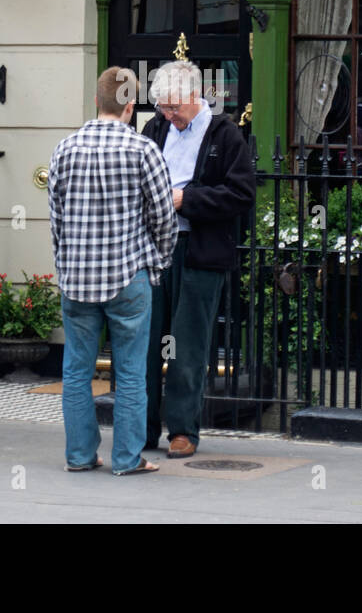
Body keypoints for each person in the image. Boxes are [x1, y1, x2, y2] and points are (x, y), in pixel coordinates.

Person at [49, 67, 177, 476]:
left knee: (76, 372)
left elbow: (56, 220)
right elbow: (163, 219)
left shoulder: (65, 149)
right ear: (129, 105)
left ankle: (80, 456)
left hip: (77, 278)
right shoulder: (143, 150)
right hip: (128, 275)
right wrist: (157, 261)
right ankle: (126, 458)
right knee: (131, 372)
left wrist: (66, 263)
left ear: (95, 101)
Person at [142, 60, 256, 458]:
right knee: (147, 340)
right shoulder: (155, 128)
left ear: (194, 95)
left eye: (174, 107)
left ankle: (183, 429)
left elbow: (241, 195)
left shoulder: (225, 135)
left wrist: (186, 200)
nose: (169, 116)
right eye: (163, 108)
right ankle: (142, 428)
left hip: (200, 250)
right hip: (155, 248)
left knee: (188, 346)